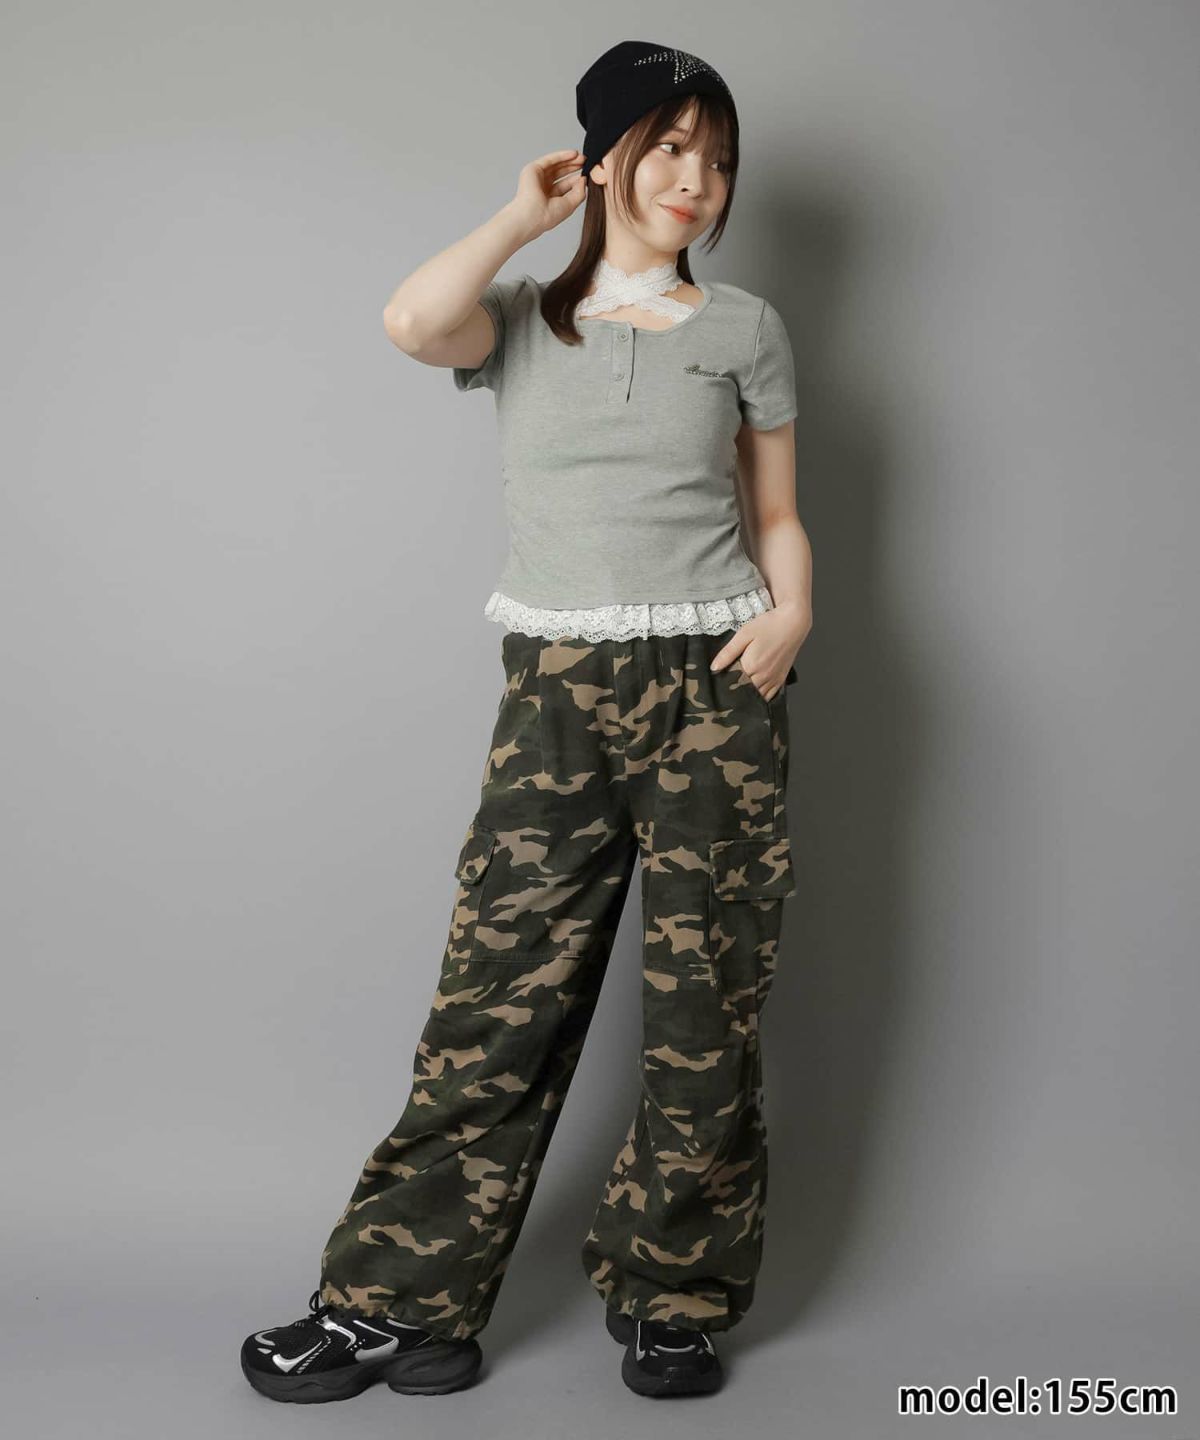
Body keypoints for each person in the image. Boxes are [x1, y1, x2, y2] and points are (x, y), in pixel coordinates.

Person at [240, 39, 814, 1405]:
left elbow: (779, 512)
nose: (697, 179)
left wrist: (793, 615)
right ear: (604, 157)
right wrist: (521, 215)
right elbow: (408, 320)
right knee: (494, 1004)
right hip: (559, 692)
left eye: (717, 158)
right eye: (667, 147)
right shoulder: (514, 318)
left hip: (719, 688)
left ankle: (674, 1301)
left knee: (706, 1010)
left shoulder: (744, 329)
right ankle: (397, 1305)